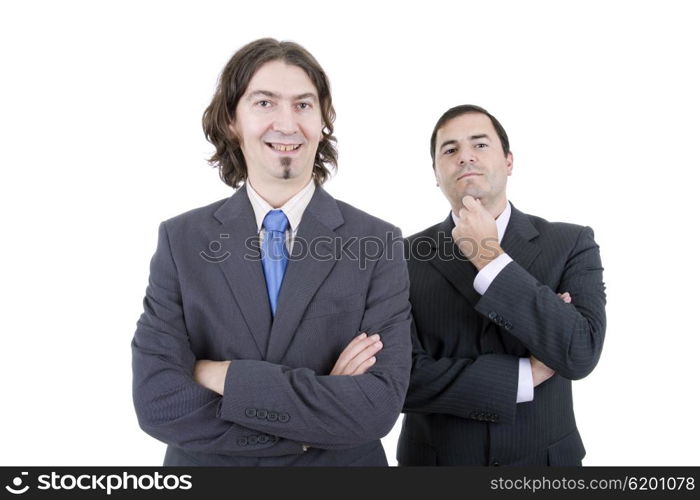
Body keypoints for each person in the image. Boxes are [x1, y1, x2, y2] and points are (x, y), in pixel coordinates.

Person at [131, 38, 412, 466]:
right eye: (265, 103)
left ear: (323, 122)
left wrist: (217, 374)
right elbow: (159, 403)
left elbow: (376, 407)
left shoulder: (378, 243)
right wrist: (312, 424)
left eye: (303, 105)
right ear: (231, 121)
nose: (287, 123)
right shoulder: (181, 240)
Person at [397, 105, 606, 466]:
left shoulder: (571, 243)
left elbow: (580, 350)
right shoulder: (401, 257)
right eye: (450, 150)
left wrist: (490, 259)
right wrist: (524, 375)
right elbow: (399, 379)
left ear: (508, 161)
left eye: (480, 145)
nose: (465, 157)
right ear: (435, 173)